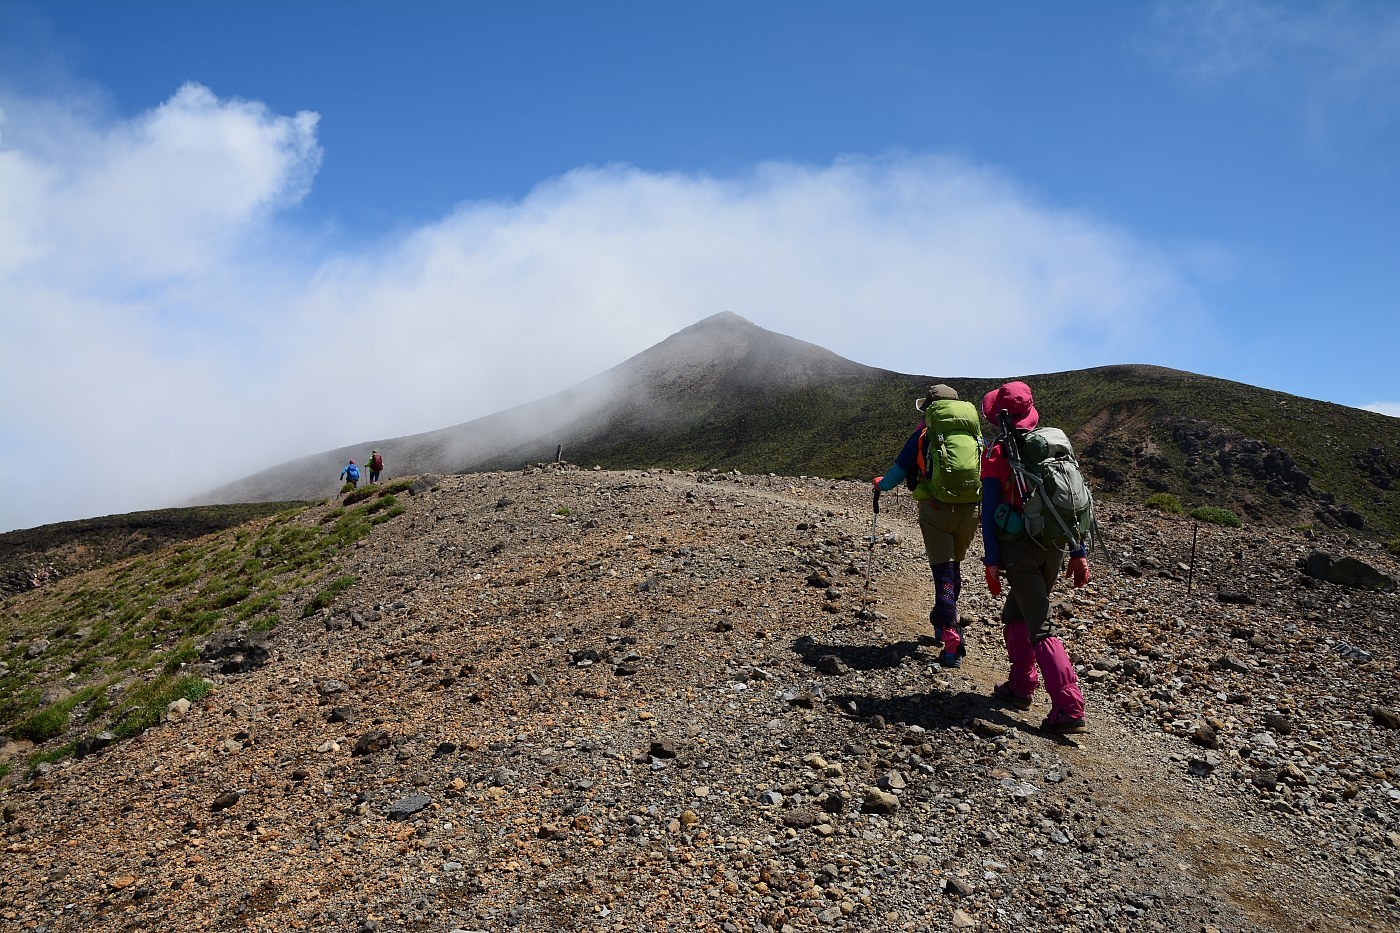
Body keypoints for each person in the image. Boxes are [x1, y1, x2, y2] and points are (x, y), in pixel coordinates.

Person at [979, 381, 1090, 733]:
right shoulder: (1054, 446)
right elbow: (1073, 504)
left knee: (1040, 624)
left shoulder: (999, 454)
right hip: (1054, 548)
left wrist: (991, 561)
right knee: (1015, 613)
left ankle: (1069, 706)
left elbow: (989, 510)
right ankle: (1021, 686)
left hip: (1020, 551)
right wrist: (1079, 551)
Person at [873, 384, 983, 668]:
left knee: (943, 575)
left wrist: (880, 485)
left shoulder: (923, 435)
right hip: (970, 510)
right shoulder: (973, 434)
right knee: (953, 568)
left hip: (936, 509)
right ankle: (941, 619)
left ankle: (951, 639)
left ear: (929, 409)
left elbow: (897, 472)